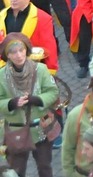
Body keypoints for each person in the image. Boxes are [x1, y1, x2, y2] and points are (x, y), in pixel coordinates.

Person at [0, 33, 59, 177]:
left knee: (44, 166)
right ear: (7, 55)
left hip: (41, 129)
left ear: (27, 50)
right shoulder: (1, 75)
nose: (19, 55)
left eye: (21, 50)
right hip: (16, 130)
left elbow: (53, 92)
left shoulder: (41, 70)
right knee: (16, 169)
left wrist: (37, 100)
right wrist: (12, 103)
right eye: (13, 52)